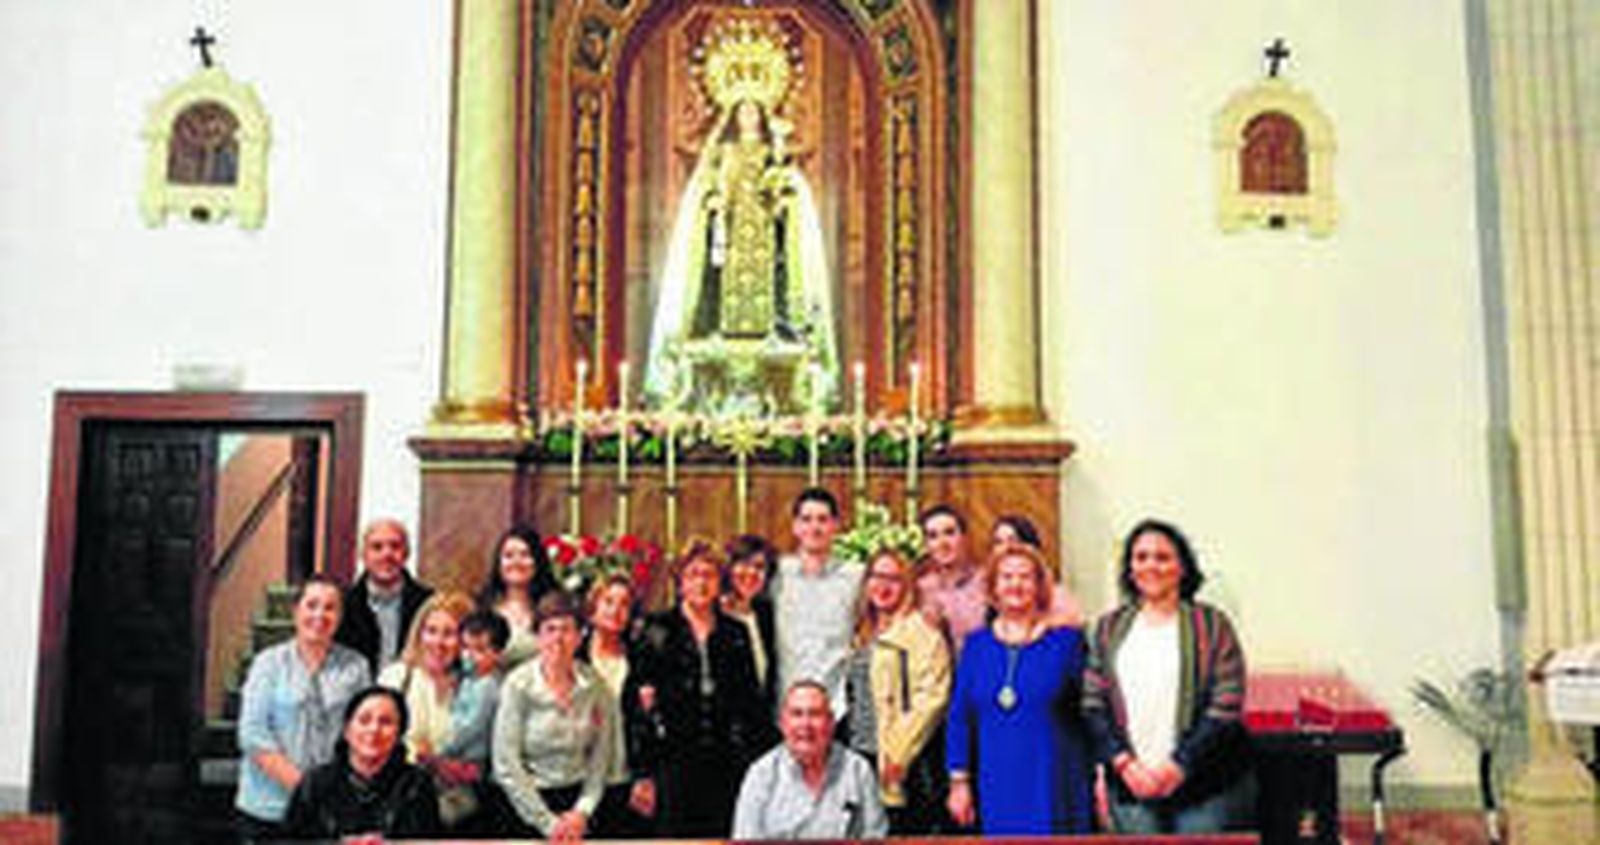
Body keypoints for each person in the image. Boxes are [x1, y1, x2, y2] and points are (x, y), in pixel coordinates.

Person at [643, 88, 840, 414]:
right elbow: (704, 190)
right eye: (742, 110)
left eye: (754, 110)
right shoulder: (723, 152)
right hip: (730, 238)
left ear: (762, 116)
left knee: (772, 282)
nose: (748, 117)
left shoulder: (773, 152)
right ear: (733, 116)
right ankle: (718, 325)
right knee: (723, 286)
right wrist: (714, 200)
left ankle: (775, 325)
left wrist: (781, 190)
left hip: (764, 237)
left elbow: (790, 196)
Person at [1083, 519, 1255, 834]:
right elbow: (1093, 705)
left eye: (1163, 557)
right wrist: (1124, 765)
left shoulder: (1212, 626)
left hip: (1205, 785)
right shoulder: (1108, 628)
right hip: (1132, 785)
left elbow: (1226, 705)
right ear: (1130, 569)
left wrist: (1179, 765)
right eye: (1141, 557)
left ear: (1183, 567)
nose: (1151, 566)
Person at [629, 539, 775, 836]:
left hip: (726, 761)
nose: (700, 583)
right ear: (680, 581)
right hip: (673, 763)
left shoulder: (735, 633)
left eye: (709, 575)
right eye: (693, 574)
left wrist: (759, 768)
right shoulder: (656, 630)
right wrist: (643, 774)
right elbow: (639, 710)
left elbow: (751, 706)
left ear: (720, 582)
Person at [946, 543, 1093, 834]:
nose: (1016, 584)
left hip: (1055, 778)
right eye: (1007, 577)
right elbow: (959, 718)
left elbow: (1090, 712)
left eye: (1026, 577)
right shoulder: (976, 646)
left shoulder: (1066, 642)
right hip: (996, 779)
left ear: (1040, 586)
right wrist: (959, 782)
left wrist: (1100, 775)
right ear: (993, 587)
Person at [235, 575, 372, 839]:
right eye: (312, 605)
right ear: (296, 611)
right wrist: (308, 790)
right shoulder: (268, 663)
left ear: (340, 616)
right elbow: (253, 736)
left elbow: (361, 732)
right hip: (268, 809)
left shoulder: (356, 666)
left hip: (332, 812)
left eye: (330, 607)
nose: (320, 614)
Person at [493, 591, 618, 840]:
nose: (558, 638)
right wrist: (548, 823)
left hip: (579, 804)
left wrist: (582, 812)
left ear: (580, 636)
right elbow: (506, 763)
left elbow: (601, 756)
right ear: (538, 636)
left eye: (567, 629)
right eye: (550, 629)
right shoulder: (518, 685)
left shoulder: (595, 686)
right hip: (526, 805)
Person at [845, 548, 951, 833]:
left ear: (907, 586)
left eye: (894, 578)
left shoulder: (922, 634)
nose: (883, 585)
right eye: (877, 576)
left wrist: (899, 753)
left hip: (899, 761)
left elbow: (931, 700)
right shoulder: (861, 632)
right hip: (860, 753)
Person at [733, 680, 889, 840]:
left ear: (831, 723)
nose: (805, 724)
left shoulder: (858, 770)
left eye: (815, 714)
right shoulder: (760, 775)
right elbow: (745, 838)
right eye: (797, 714)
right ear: (782, 723)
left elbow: (876, 837)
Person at [919, 504, 1082, 655]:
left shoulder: (991, 583)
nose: (942, 543)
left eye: (949, 533)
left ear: (965, 537)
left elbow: (1070, 619)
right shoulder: (921, 589)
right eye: (933, 536)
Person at [282, 685, 441, 839]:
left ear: (399, 734)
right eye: (364, 720)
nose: (374, 729)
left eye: (386, 722)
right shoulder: (315, 783)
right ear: (347, 730)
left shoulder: (416, 784)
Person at [772, 488, 862, 720]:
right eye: (806, 519)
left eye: (823, 519)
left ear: (836, 526)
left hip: (837, 708)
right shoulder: (776, 575)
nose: (815, 527)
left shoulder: (856, 577)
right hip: (785, 707)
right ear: (795, 526)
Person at [582, 574, 655, 837]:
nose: (616, 610)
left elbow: (650, 725)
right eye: (608, 601)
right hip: (580, 780)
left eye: (624, 604)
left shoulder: (642, 658)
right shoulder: (575, 655)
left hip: (625, 778)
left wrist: (645, 776)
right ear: (592, 609)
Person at [336, 518, 435, 674]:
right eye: (377, 547)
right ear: (363, 555)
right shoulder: (342, 605)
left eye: (395, 546)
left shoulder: (429, 604)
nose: (387, 554)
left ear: (407, 553)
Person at [478, 525, 560, 668]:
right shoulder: (483, 609)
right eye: (508, 556)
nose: (516, 562)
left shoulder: (553, 609)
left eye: (525, 555)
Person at [722, 533, 779, 709]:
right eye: (744, 564)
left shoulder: (766, 615)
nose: (752, 572)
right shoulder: (713, 615)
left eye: (760, 567)